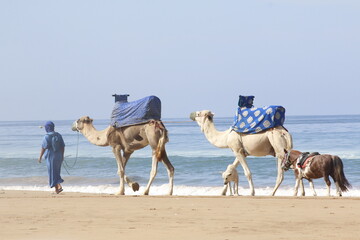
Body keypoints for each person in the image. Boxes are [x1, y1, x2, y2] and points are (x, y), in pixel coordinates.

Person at [38, 121, 65, 194]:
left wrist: (40, 157)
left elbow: (43, 147)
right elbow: (62, 146)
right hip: (58, 155)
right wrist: (62, 155)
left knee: (52, 172)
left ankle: (59, 185)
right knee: (56, 171)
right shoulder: (59, 135)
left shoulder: (46, 136)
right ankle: (56, 190)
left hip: (51, 156)